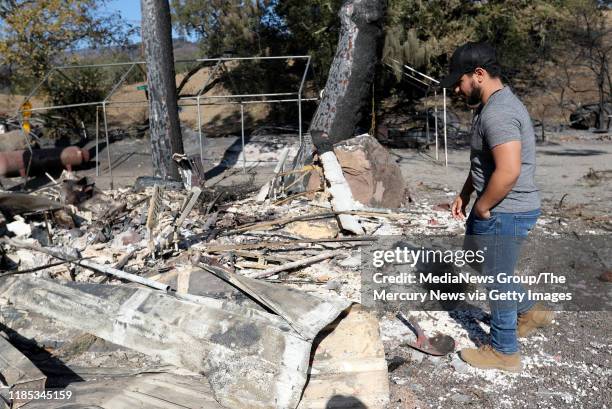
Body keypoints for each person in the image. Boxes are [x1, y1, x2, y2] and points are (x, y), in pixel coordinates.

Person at [441, 42, 553, 372]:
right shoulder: (490, 107)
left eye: (459, 82)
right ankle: (531, 310)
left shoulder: (500, 113)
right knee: (478, 261)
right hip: (498, 206)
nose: (457, 91)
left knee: (497, 278)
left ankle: (504, 352)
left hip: (506, 210)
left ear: (478, 75)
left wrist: (483, 207)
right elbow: (485, 163)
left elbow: (507, 171)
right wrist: (465, 192)